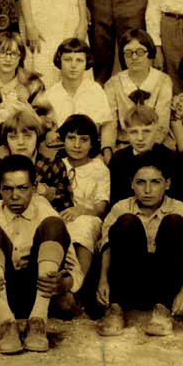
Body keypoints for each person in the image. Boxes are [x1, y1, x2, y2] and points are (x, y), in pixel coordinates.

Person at [0, 155, 82, 355]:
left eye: (22, 188)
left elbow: (75, 270)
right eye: (8, 188)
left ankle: (38, 322)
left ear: (34, 187)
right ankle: (6, 324)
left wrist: (64, 283)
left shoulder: (47, 212)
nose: (15, 196)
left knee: (54, 225)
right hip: (2, 293)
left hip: (39, 292)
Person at [97, 149, 183, 337]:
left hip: (166, 284)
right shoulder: (121, 207)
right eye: (141, 182)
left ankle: (162, 312)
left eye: (155, 182)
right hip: (130, 281)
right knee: (126, 221)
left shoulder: (181, 209)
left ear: (167, 184)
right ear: (131, 184)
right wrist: (103, 280)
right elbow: (108, 247)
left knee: (174, 222)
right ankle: (115, 309)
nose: (148, 190)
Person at [0, 108, 74, 213]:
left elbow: (68, 202)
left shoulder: (50, 159)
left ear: (37, 136)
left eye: (28, 136)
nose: (21, 142)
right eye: (13, 137)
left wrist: (46, 192)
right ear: (6, 140)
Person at [55, 114, 110, 283]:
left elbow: (101, 208)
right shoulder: (56, 163)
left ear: (93, 142)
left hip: (88, 217)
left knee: (83, 226)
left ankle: (76, 286)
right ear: (63, 140)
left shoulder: (98, 168)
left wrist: (81, 210)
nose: (77, 145)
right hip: (59, 216)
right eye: (71, 138)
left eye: (84, 140)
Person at [35, 38, 114, 154]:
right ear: (59, 61)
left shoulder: (95, 91)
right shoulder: (51, 94)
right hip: (60, 152)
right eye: (67, 60)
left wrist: (107, 153)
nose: (73, 65)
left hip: (91, 151)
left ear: (86, 63)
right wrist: (48, 134)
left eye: (79, 60)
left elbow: (106, 125)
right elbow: (45, 129)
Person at [104, 29, 172, 150]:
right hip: (124, 146)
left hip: (156, 145)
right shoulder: (113, 84)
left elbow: (162, 123)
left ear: (150, 53)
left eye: (140, 52)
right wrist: (107, 150)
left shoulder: (163, 81)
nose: (134, 57)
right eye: (128, 53)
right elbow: (110, 124)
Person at [0, 31, 46, 139]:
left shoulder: (32, 82)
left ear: (20, 57)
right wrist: (1, 107)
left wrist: (27, 110)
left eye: (13, 54)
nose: (8, 59)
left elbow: (47, 121)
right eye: (2, 53)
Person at [108, 105, 176, 206]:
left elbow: (174, 197)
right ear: (126, 134)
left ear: (157, 132)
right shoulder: (118, 160)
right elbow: (116, 198)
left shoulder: (169, 158)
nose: (140, 138)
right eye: (134, 132)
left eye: (146, 131)